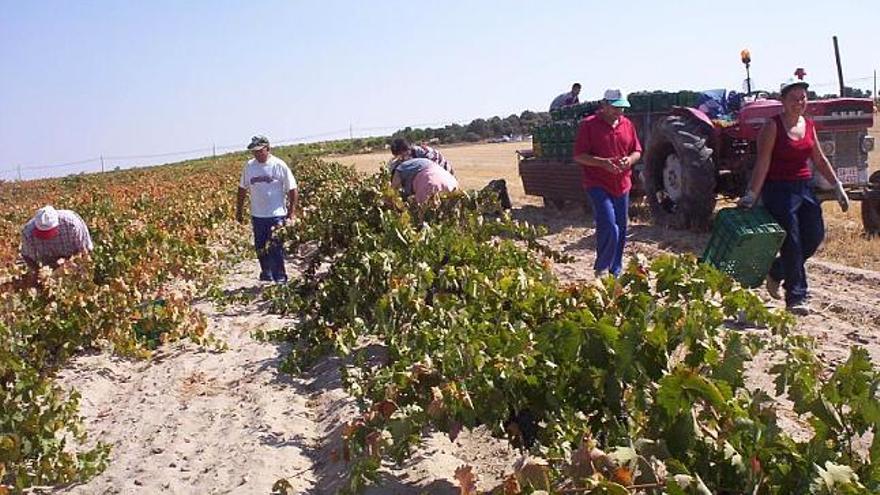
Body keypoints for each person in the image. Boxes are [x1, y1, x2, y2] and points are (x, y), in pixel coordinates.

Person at [738, 78, 850, 315]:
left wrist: (837, 185)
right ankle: (796, 297)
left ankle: (776, 271)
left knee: (814, 235)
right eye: (794, 98)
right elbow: (763, 162)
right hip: (778, 189)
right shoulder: (773, 126)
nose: (800, 102)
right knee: (792, 242)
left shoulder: (808, 125)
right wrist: (751, 194)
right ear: (783, 101)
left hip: (804, 188)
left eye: (803, 98)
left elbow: (819, 159)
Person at [573, 89, 642, 278]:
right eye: (615, 107)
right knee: (609, 224)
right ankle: (602, 267)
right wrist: (602, 163)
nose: (619, 112)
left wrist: (629, 160)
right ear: (604, 106)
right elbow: (579, 156)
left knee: (622, 226)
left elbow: (637, 150)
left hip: (622, 184)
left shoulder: (627, 125)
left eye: (622, 108)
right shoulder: (589, 125)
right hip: (597, 183)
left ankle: (615, 269)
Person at [235, 135, 299, 284]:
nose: (256, 154)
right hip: (257, 215)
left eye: (259, 151)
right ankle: (266, 273)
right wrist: (239, 210)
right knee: (260, 246)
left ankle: (280, 278)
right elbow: (242, 188)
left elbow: (292, 189)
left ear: (268, 149)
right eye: (254, 152)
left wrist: (292, 212)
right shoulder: (249, 166)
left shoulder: (279, 165)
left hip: (276, 214)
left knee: (276, 247)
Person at [20, 205, 93, 269]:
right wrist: (40, 273)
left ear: (57, 226)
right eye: (42, 233)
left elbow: (85, 250)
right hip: (48, 262)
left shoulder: (72, 224)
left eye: (48, 233)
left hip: (73, 258)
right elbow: (28, 256)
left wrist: (68, 263)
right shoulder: (28, 232)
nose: (46, 237)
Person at [390, 157, 459, 204]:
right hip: (451, 181)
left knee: (426, 217)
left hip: (430, 184)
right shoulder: (419, 161)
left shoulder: (399, 168)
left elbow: (393, 191)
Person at [389, 138, 454, 175]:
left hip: (444, 172)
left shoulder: (425, 152)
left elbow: (434, 170)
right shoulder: (402, 159)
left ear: (408, 150)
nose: (401, 159)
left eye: (401, 155)